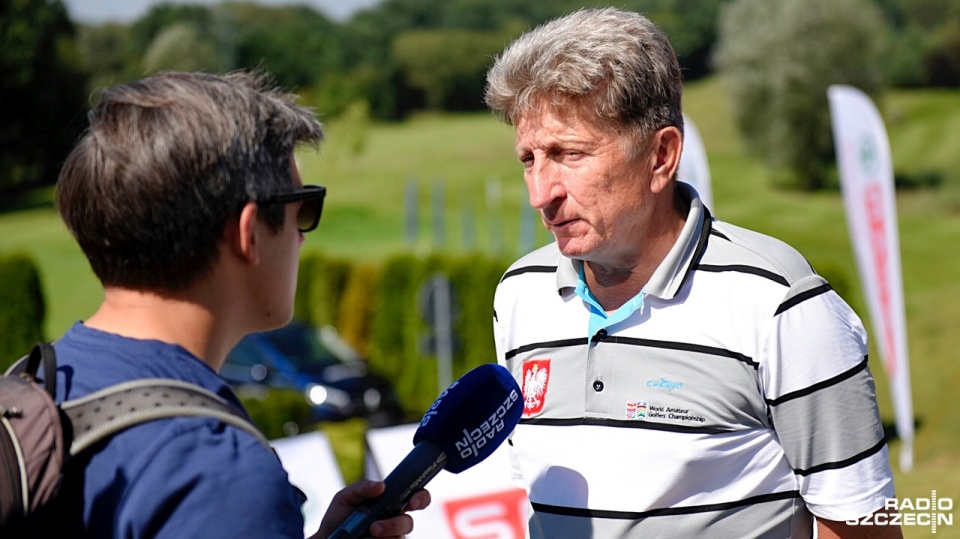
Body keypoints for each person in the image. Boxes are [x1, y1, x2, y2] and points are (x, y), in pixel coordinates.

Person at [485, 8, 900, 539]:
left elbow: (864, 526)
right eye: (529, 159)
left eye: (569, 153)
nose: (540, 193)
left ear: (661, 155)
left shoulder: (780, 303)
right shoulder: (519, 294)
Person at [45, 70, 429, 538]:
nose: (304, 238)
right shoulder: (215, 472)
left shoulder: (36, 387)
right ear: (249, 234)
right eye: (303, 209)